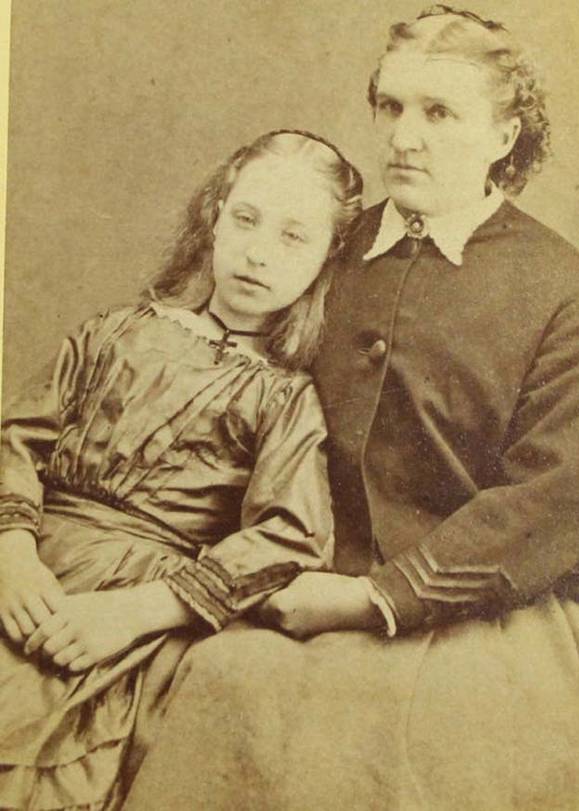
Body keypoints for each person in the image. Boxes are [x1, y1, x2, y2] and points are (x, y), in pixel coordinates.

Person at [122, 7, 579, 811]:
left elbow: (554, 498)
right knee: (214, 689)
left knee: (410, 739)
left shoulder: (563, 289)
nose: (405, 135)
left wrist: (376, 596)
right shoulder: (327, 245)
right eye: (391, 105)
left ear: (504, 138)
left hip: (496, 603)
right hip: (301, 570)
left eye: (439, 112)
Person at [0, 129, 363, 810]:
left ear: (326, 258)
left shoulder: (286, 397)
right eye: (247, 219)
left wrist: (138, 610)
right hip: (26, 562)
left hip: (118, 606)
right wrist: (12, 552)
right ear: (216, 213)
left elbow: (290, 536)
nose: (258, 253)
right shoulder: (115, 332)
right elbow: (16, 440)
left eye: (293, 237)